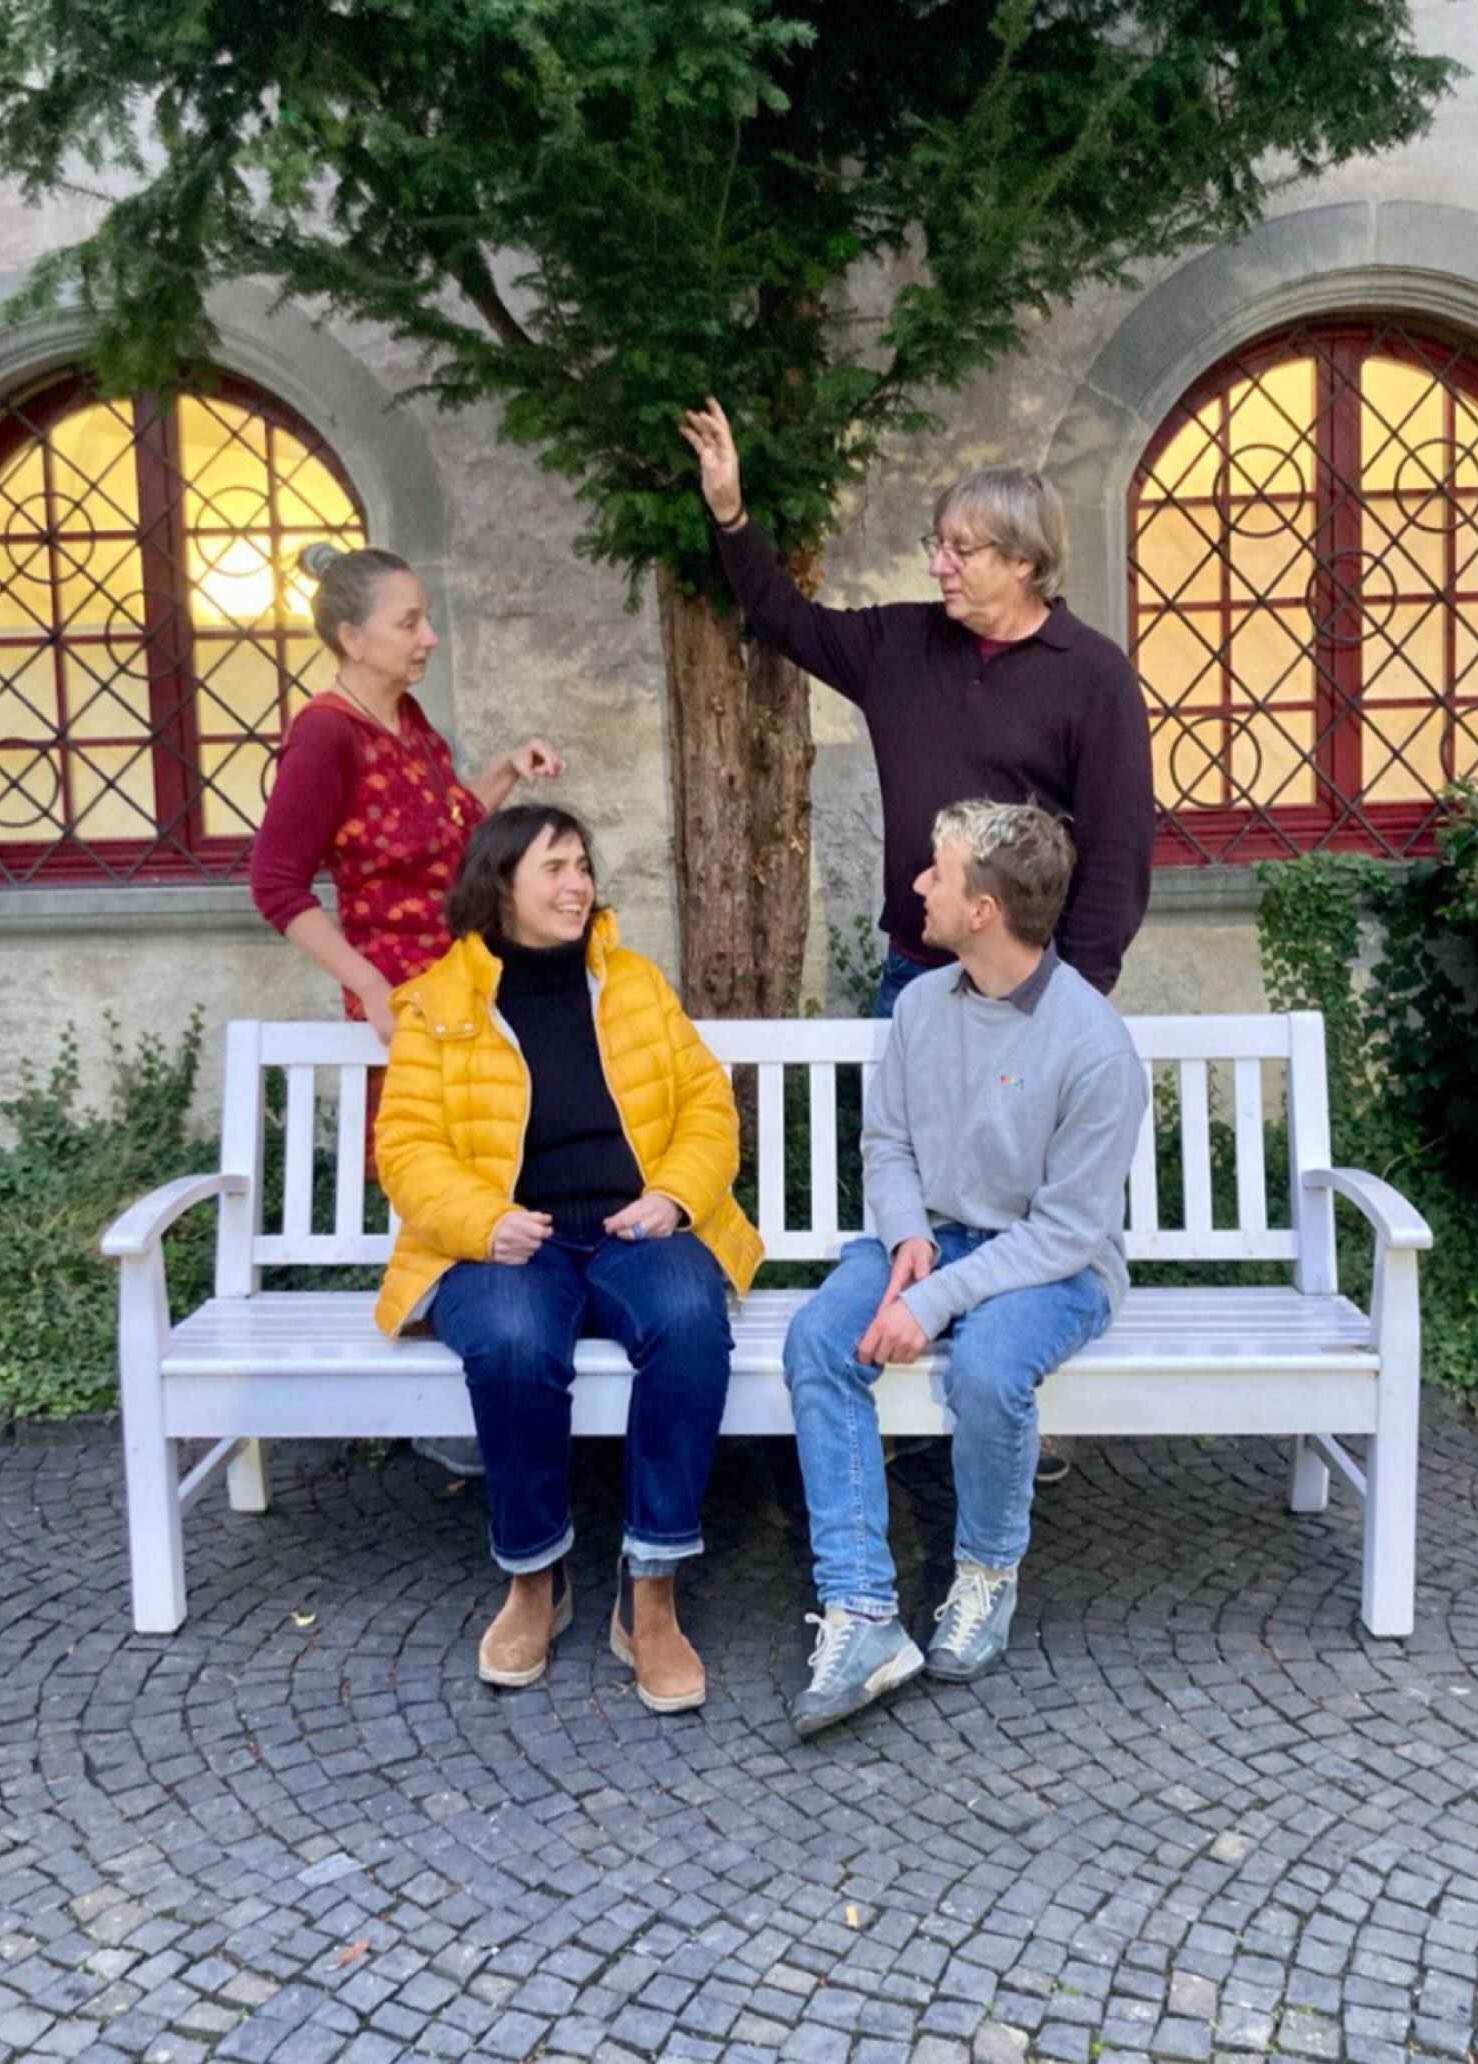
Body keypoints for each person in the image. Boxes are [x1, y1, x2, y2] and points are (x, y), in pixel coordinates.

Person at [372, 806, 764, 1712]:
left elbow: (708, 1106)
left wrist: (672, 1196)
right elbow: (409, 1148)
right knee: (510, 1337)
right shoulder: (438, 1003)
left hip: (636, 1226)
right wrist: (482, 1221)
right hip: (511, 1239)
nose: (576, 885)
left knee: (688, 1319)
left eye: (582, 865)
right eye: (553, 868)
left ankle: (653, 1591)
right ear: (498, 883)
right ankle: (533, 1579)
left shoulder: (630, 983)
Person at [780, 801, 1147, 1738]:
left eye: (935, 873)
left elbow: (1066, 1233)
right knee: (820, 1339)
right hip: (932, 1238)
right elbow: (887, 1142)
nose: (918, 887)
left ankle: (984, 1573)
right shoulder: (917, 1006)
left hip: (1051, 1263)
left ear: (982, 909)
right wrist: (905, 1236)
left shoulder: (1094, 1044)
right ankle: (862, 1612)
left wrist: (936, 1298)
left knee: (988, 1367)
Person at [678, 397, 1154, 1012]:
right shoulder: (897, 645)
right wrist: (730, 513)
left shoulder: (1096, 677)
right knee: (896, 1116)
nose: (937, 566)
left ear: (1022, 562)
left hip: (1034, 981)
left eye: (961, 551)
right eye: (939, 545)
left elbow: (1118, 854)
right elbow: (785, 622)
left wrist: (1075, 996)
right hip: (915, 976)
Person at [251, 544, 564, 1478]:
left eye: (426, 619)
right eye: (408, 623)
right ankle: (466, 1409)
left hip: (472, 986)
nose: (427, 637)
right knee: (438, 1186)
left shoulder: (406, 718)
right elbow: (275, 885)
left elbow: (447, 833)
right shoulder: (325, 735)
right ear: (351, 638)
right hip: (407, 1006)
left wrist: (507, 768)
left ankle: (508, 1380)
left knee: (500, 1166)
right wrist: (372, 988)